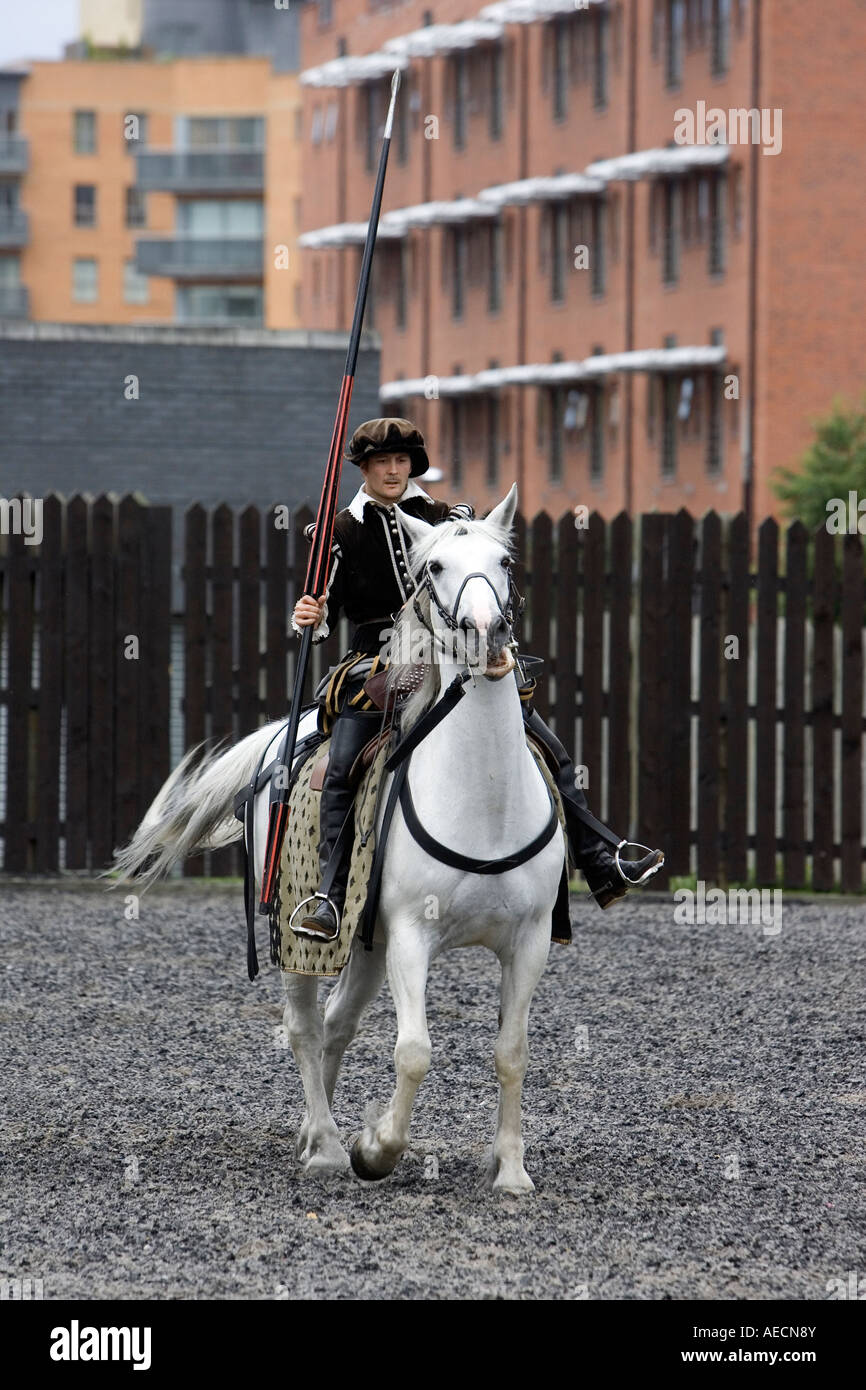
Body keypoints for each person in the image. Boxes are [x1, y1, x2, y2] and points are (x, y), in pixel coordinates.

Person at [291, 416, 662, 941]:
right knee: (343, 765)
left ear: (412, 466)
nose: (392, 470)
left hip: (456, 652)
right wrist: (311, 613)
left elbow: (484, 579)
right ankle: (330, 894)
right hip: (377, 661)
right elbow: (323, 606)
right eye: (381, 463)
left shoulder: (449, 518)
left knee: (546, 745)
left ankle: (600, 857)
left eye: (401, 461)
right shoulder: (339, 530)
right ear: (365, 469)